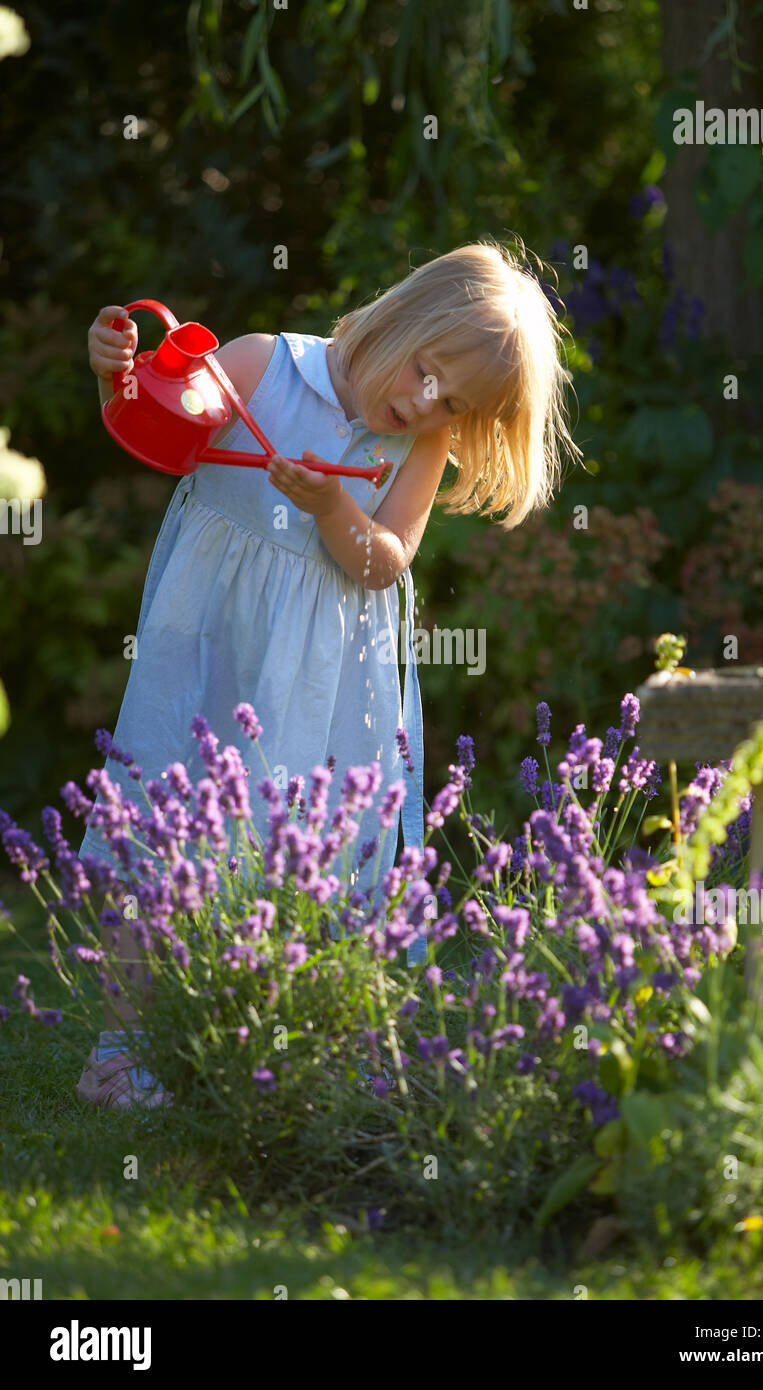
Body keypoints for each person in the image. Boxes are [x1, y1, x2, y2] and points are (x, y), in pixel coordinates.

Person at [74, 238, 582, 1107]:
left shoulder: (418, 448)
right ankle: (119, 1051)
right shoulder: (258, 366)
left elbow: (383, 562)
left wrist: (332, 506)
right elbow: (155, 432)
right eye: (425, 371)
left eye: (449, 400)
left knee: (287, 846)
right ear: (398, 318)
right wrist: (114, 375)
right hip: (204, 651)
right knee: (161, 817)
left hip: (316, 681)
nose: (423, 401)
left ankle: (259, 1045)